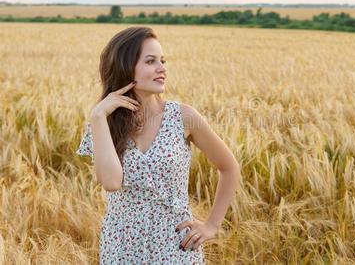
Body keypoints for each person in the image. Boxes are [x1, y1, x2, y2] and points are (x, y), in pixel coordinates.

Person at [75, 26, 241, 264]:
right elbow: (111, 182)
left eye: (162, 61)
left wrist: (212, 224)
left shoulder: (183, 117)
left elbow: (229, 167)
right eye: (150, 61)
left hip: (176, 245)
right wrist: (99, 117)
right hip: (121, 246)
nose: (162, 68)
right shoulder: (103, 123)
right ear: (125, 66)